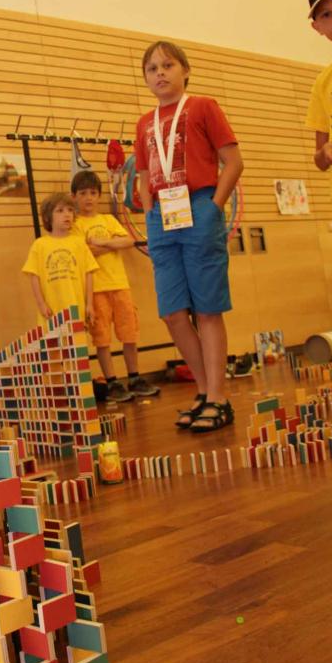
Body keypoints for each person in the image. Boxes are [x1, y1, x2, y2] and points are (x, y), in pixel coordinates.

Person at [135, 40, 243, 432]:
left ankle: (218, 397)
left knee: (208, 308)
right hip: (162, 214)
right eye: (152, 68)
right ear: (145, 78)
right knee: (172, 312)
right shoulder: (144, 122)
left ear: (185, 70)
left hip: (198, 204)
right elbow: (145, 173)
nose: (160, 73)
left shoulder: (203, 106)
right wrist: (148, 210)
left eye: (167, 65)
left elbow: (233, 161)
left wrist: (213, 205)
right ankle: (203, 391)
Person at [71, 169, 160, 403]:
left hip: (119, 284)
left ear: (99, 195)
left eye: (92, 193)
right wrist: (111, 246)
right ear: (75, 197)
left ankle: (134, 378)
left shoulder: (108, 220)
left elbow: (128, 241)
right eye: (83, 193)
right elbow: (82, 252)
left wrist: (102, 242)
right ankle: (111, 382)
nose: (89, 198)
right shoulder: (75, 225)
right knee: (102, 339)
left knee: (129, 333)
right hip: (95, 289)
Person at [22, 192, 97, 329]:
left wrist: (89, 304)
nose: (67, 214)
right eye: (60, 211)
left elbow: (89, 274)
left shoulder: (79, 243)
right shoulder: (39, 245)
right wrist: (41, 304)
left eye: (70, 210)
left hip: (77, 310)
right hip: (51, 313)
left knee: (78, 349)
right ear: (48, 217)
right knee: (54, 349)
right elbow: (34, 277)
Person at [305, 0, 332, 172]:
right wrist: (324, 152)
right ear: (317, 27)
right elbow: (319, 160)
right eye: (326, 14)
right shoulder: (323, 82)